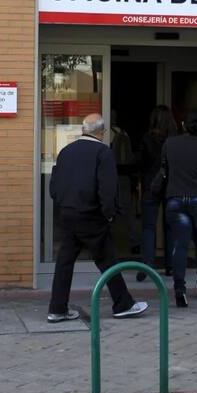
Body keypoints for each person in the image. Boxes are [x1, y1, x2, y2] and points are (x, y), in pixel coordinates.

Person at [47, 113, 149, 322]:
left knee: (64, 263)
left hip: (68, 213)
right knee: (108, 260)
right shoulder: (103, 153)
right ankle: (123, 304)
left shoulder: (66, 151)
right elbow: (108, 188)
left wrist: (64, 202)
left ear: (84, 130)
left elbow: (54, 186)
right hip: (91, 215)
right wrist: (109, 214)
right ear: (101, 132)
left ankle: (57, 308)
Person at [161, 112, 197, 307]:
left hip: (176, 198)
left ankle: (179, 290)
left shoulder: (170, 143)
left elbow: (164, 169)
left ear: (183, 124)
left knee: (180, 244)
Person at [136, 105, 178, 282]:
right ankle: (170, 266)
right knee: (170, 227)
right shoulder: (176, 140)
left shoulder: (147, 138)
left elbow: (140, 163)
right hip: (171, 186)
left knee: (148, 227)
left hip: (151, 185)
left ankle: (147, 266)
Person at [109, 110, 140, 254]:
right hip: (124, 177)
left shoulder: (107, 133)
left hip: (110, 175)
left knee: (108, 209)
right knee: (127, 211)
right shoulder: (124, 133)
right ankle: (135, 242)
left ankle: (108, 242)